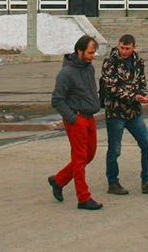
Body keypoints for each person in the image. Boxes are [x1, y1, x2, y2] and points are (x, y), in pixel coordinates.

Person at [100, 34, 148, 195]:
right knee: (115, 149)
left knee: (147, 144)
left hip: (133, 112)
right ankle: (113, 182)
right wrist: (134, 97)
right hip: (116, 112)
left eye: (127, 48)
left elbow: (141, 83)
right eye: (121, 47)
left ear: (134, 47)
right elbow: (112, 88)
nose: (124, 51)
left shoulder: (138, 62)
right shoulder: (110, 62)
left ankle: (147, 180)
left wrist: (143, 96)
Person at [48, 35, 103, 210]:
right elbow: (57, 100)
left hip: (89, 117)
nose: (93, 55)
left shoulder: (89, 68)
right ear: (79, 51)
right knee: (79, 159)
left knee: (89, 155)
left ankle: (59, 180)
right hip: (76, 118)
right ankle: (83, 198)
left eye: (94, 52)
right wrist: (73, 119)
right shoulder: (66, 73)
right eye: (90, 52)